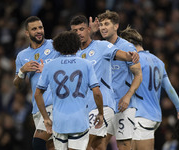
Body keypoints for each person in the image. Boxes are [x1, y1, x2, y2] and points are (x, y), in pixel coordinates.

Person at [69, 15, 140, 150]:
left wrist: (131, 55)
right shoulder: (74, 54)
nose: (78, 33)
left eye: (81, 29)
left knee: (83, 144)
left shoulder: (103, 46)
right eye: (75, 31)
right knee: (98, 144)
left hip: (106, 103)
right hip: (84, 106)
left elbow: (126, 58)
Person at [34, 31, 104, 150]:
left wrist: (46, 118)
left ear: (57, 46)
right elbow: (96, 92)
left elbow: (37, 94)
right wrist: (101, 113)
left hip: (59, 121)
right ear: (76, 45)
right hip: (79, 121)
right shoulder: (86, 64)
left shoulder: (49, 66)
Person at [119, 26, 179, 150]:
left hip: (140, 116)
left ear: (129, 44)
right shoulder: (158, 61)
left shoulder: (132, 60)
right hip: (154, 116)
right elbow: (169, 88)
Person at [92, 10, 142, 150]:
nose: (103, 27)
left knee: (124, 144)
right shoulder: (98, 47)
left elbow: (138, 75)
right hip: (106, 104)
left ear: (116, 26)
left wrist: (127, 96)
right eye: (101, 24)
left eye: (107, 24)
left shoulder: (127, 47)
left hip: (123, 104)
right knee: (97, 143)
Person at [13, 16, 60, 150]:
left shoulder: (55, 46)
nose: (39, 31)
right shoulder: (22, 56)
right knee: (51, 146)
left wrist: (49, 69)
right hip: (37, 108)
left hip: (54, 104)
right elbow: (17, 85)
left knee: (38, 141)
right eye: (34, 29)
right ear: (27, 33)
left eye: (40, 27)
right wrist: (22, 71)